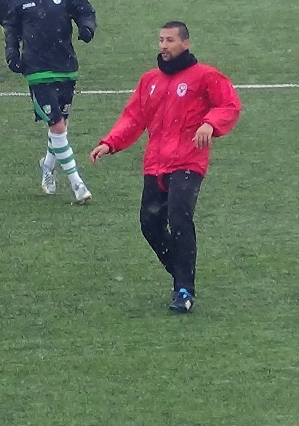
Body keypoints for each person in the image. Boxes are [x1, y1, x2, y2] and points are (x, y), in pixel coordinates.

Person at [90, 21, 241, 313]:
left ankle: (184, 289)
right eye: (161, 40)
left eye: (170, 40)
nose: (163, 45)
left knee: (179, 218)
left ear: (185, 43)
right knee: (150, 225)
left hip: (188, 162)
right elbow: (134, 117)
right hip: (155, 165)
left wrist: (210, 124)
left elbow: (229, 105)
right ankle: (181, 273)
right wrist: (110, 143)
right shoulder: (150, 80)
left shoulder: (205, 76)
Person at [3, 0, 96, 202]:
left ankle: (47, 165)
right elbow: (11, 28)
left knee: (60, 126)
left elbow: (85, 11)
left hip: (66, 67)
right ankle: (77, 184)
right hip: (36, 69)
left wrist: (87, 28)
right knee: (56, 123)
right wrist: (12, 53)